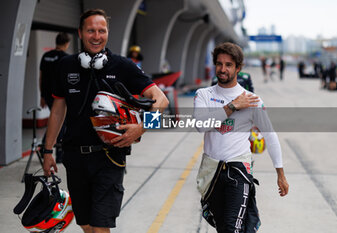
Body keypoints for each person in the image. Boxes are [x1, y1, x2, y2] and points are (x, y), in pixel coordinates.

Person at [43, 9, 169, 233]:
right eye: (91, 30)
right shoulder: (65, 66)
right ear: (80, 33)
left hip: (109, 157)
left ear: (107, 33)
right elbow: (57, 111)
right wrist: (47, 151)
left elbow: (161, 100)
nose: (96, 36)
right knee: (85, 223)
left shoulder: (122, 66)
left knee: (101, 225)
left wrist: (141, 128)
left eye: (101, 31)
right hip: (74, 156)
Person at [194, 42, 289, 233]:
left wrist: (280, 174)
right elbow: (199, 125)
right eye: (219, 64)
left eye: (229, 64)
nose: (223, 69)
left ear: (238, 68)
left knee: (232, 229)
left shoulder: (253, 100)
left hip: (239, 170)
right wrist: (233, 106)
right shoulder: (204, 94)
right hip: (211, 172)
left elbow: (270, 136)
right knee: (222, 227)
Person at [39, 32, 70, 163]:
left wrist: (42, 95)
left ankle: (44, 146)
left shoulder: (46, 56)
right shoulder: (66, 58)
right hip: (60, 96)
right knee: (60, 121)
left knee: (55, 119)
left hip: (47, 94)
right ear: (67, 44)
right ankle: (58, 153)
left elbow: (41, 77)